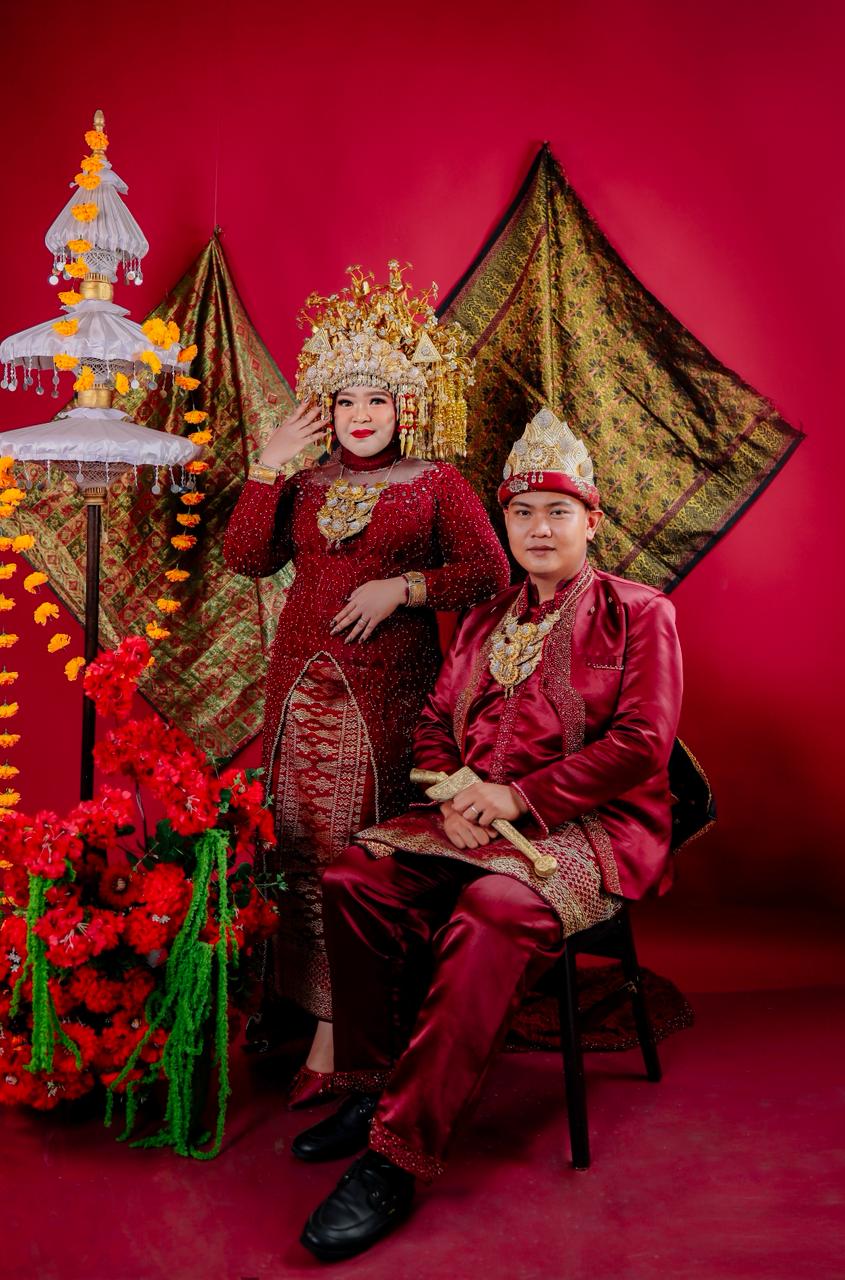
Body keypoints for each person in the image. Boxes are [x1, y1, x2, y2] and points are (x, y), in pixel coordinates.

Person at [293, 405, 684, 1261]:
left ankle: (397, 1156)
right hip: (471, 818)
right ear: (505, 524)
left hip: (590, 830)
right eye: (523, 513)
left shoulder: (639, 612)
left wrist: (518, 798)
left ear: (592, 522)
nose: (539, 529)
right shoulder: (481, 619)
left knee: (492, 913)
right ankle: (371, 1086)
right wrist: (454, 795)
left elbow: (643, 744)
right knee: (355, 878)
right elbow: (437, 723)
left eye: (558, 512)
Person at [223, 262, 509, 1104]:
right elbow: (246, 558)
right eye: (345, 401)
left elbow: (489, 572)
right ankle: (294, 1004)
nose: (359, 416)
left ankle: (345, 1028)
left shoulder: (437, 483)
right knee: (294, 841)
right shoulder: (307, 483)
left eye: (376, 400)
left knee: (356, 847)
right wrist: (271, 464)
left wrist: (404, 589)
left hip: (384, 688)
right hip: (298, 687)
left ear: (404, 405)